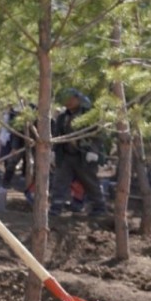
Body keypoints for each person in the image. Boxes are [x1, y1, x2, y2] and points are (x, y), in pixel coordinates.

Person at [50, 88, 107, 216]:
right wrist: (54, 152)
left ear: (78, 99)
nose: (68, 102)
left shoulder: (89, 116)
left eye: (71, 99)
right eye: (66, 99)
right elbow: (57, 135)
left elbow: (98, 135)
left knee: (90, 182)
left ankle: (99, 207)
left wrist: (93, 151)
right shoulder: (62, 117)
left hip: (84, 156)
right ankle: (56, 207)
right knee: (59, 181)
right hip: (65, 155)